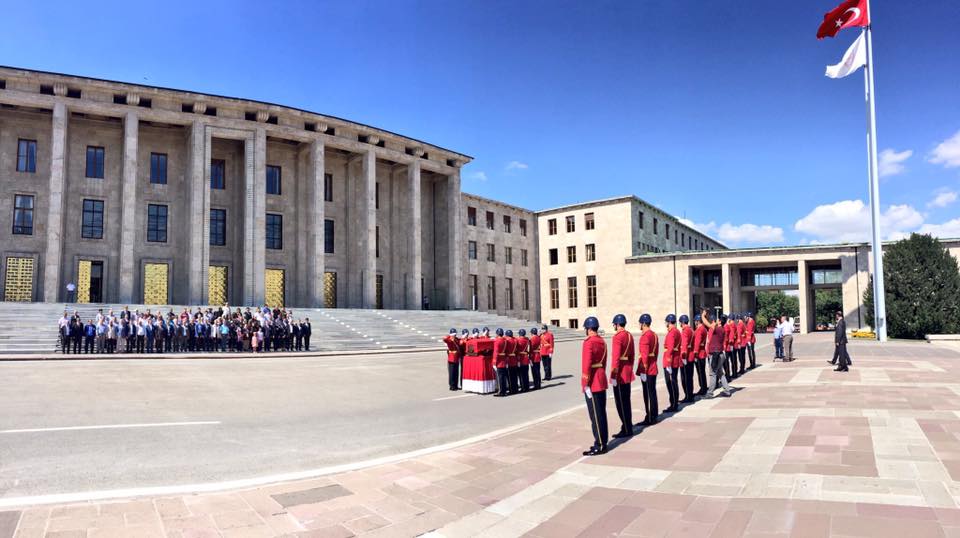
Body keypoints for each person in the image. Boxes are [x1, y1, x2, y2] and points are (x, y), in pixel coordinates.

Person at [580, 316, 608, 456]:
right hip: (601, 378)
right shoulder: (602, 341)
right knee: (601, 413)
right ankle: (604, 440)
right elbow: (605, 361)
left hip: (593, 382)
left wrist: (585, 383)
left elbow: (586, 365)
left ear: (589, 329)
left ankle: (600, 444)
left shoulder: (588, 343)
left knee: (595, 415)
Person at [610, 314, 635, 438]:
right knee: (626, 401)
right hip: (627, 371)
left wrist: (613, 375)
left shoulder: (617, 337)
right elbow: (632, 356)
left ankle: (626, 428)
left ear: (617, 324)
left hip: (619, 374)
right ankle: (628, 425)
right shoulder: (629, 336)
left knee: (620, 403)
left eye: (614, 324)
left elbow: (615, 359)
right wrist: (629, 367)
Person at [701, 310, 733, 398]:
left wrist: (703, 315)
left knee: (713, 373)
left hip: (715, 354)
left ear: (719, 321)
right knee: (720, 373)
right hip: (720, 353)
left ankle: (710, 393)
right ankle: (727, 390)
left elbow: (706, 323)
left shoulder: (717, 329)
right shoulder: (722, 329)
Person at [636, 313, 659, 426]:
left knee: (648, 394)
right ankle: (654, 414)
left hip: (647, 369)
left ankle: (650, 417)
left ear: (644, 323)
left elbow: (644, 355)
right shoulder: (654, 335)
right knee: (653, 392)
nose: (639, 325)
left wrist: (643, 369)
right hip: (653, 365)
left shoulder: (645, 336)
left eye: (640, 323)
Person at [662, 314, 681, 413]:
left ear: (669, 322)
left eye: (666, 322)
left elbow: (670, 348)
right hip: (675, 359)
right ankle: (675, 403)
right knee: (674, 382)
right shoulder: (677, 331)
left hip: (670, 360)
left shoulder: (671, 333)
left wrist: (668, 362)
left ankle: (673, 404)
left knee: (671, 383)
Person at [679, 315, 696, 403]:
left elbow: (684, 344)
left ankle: (688, 396)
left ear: (682, 322)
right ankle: (690, 395)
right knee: (689, 377)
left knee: (685, 378)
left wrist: (683, 355)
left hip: (686, 357)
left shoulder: (685, 331)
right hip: (691, 356)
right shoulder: (691, 330)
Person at [693, 314, 709, 396]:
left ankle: (703, 388)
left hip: (699, 353)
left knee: (700, 372)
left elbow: (697, 342)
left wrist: (695, 352)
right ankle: (704, 387)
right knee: (702, 372)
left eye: (695, 321)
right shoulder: (703, 329)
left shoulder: (699, 329)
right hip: (702, 352)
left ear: (697, 321)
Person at [493, 328, 509, 397]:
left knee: (500, 377)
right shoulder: (505, 340)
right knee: (503, 376)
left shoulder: (497, 341)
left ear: (497, 333)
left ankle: (501, 391)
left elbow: (496, 352)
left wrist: (494, 362)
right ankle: (504, 390)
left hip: (499, 361)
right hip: (504, 360)